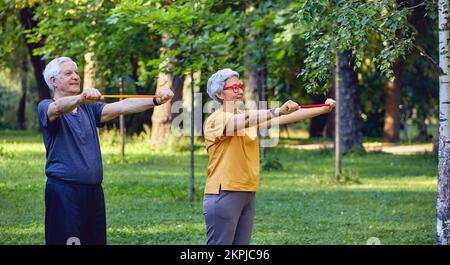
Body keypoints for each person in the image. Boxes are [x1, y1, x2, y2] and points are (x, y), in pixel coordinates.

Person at [38, 56, 173, 245]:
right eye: (68, 73)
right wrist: (80, 98)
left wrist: (156, 100)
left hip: (93, 193)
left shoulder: (88, 110)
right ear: (54, 81)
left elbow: (123, 105)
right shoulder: (46, 107)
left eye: (76, 72)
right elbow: (58, 107)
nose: (75, 76)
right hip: (64, 193)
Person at [203, 68, 336, 245]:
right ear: (219, 94)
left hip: (247, 191)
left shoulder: (246, 116)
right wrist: (276, 110)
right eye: (234, 88)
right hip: (224, 192)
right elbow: (243, 121)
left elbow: (287, 117)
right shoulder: (216, 119)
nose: (240, 91)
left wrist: (323, 109)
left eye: (240, 86)